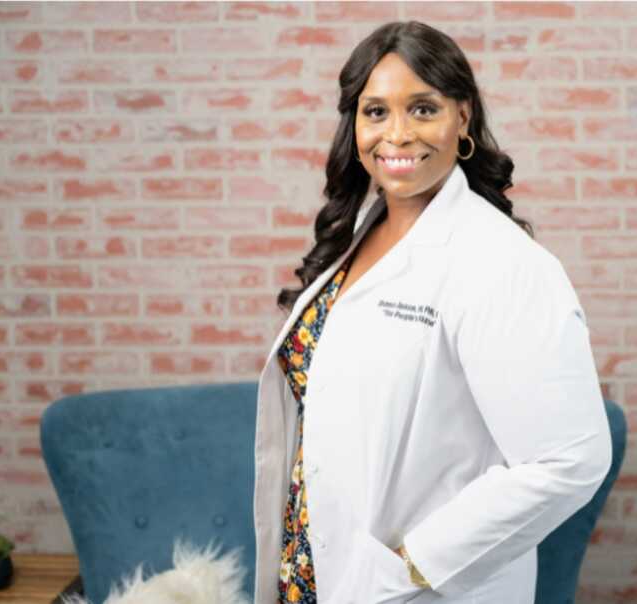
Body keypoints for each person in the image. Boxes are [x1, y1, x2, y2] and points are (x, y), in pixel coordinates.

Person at [254, 20, 612, 604]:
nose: (396, 134)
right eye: (376, 112)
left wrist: (414, 563)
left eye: (423, 109)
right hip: (315, 573)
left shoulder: (501, 262)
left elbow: (570, 456)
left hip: (407, 589)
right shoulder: (357, 238)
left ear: (462, 118)